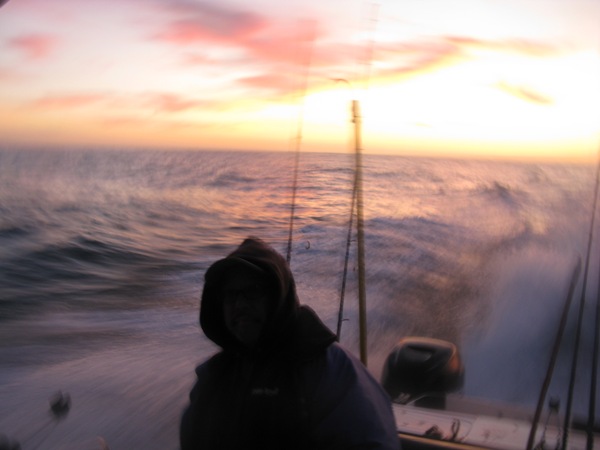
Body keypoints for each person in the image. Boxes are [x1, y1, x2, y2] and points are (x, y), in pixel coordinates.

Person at [180, 237, 399, 450]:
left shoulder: (329, 369)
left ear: (278, 296)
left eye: (252, 291)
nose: (239, 304)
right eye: (230, 295)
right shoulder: (213, 374)